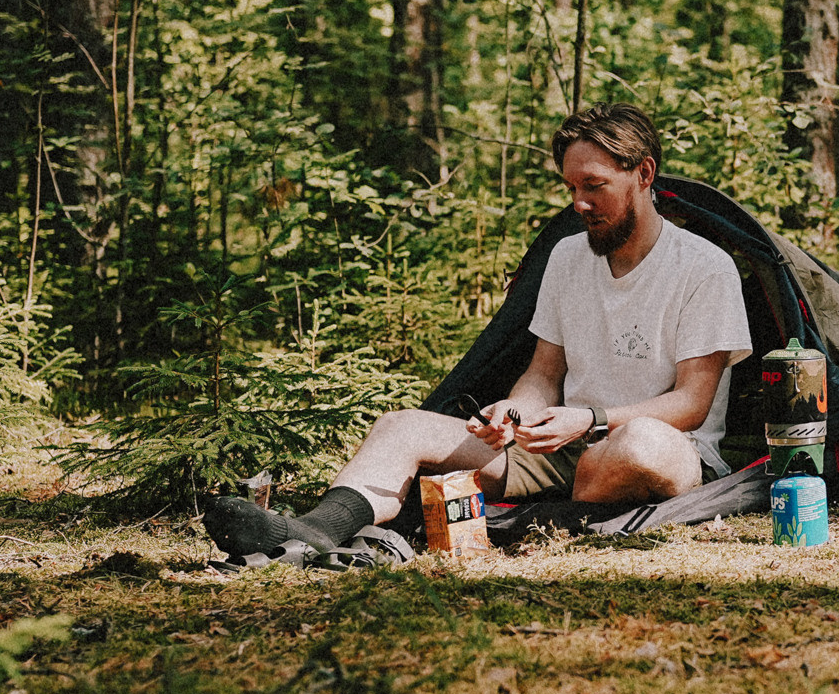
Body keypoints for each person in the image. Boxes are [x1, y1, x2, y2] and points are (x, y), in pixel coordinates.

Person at [201, 104, 756, 558]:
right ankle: (315, 530)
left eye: (595, 187)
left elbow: (692, 403)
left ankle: (573, 498)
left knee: (638, 443)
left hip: (664, 448)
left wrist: (590, 420)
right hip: (562, 448)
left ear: (644, 175)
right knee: (401, 427)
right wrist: (514, 414)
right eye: (570, 188)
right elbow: (543, 372)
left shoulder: (703, 267)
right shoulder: (566, 257)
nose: (579, 204)